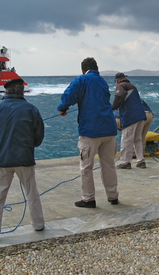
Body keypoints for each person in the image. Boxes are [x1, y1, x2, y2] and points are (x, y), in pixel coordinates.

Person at [0, 78, 45, 243]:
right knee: (32, 192)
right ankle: (38, 224)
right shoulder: (32, 109)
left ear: (6, 92)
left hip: (1, 159)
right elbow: (38, 138)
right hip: (25, 158)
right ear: (22, 92)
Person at [57, 57, 119, 208]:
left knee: (86, 166)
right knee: (109, 164)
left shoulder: (82, 79)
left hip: (91, 129)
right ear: (97, 68)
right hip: (109, 128)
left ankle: (88, 199)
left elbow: (69, 95)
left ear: (83, 70)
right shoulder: (103, 82)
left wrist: (62, 108)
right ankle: (113, 196)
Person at [112, 73, 147, 169]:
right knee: (137, 139)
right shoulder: (133, 86)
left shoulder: (121, 86)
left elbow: (119, 97)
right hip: (140, 115)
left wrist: (112, 107)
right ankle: (141, 161)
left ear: (117, 80)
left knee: (126, 139)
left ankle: (125, 162)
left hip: (130, 117)